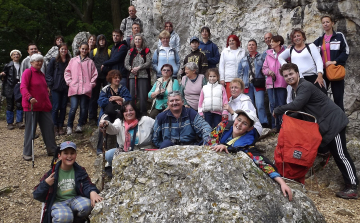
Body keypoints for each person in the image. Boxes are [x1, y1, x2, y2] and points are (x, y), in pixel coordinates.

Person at [274, 63, 358, 199]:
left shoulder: (304, 86)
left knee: (341, 154)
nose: (289, 77)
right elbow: (300, 111)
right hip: (327, 126)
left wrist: (278, 110)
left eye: (291, 74)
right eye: (286, 76)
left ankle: (352, 187)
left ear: (297, 73)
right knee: (334, 152)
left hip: (334, 122)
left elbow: (296, 105)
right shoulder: (298, 90)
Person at [207, 109, 292, 201]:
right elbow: (211, 139)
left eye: (245, 124)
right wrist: (217, 146)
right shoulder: (224, 125)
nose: (239, 124)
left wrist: (282, 183)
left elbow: (261, 162)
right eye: (238, 119)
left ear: (250, 128)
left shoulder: (247, 145)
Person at [33, 141, 103, 223]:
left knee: (88, 205)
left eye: (72, 153)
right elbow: (37, 195)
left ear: (75, 155)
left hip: (75, 199)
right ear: (59, 156)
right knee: (64, 217)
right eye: (65, 153)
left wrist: (92, 192)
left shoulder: (80, 171)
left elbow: (87, 184)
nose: (69, 156)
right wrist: (46, 184)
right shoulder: (52, 173)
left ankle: (77, 221)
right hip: (58, 202)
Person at [20, 54, 57, 160]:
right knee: (30, 129)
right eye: (37, 61)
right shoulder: (28, 72)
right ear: (31, 62)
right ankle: (27, 152)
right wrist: (29, 97)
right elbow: (23, 87)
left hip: (43, 105)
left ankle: (52, 149)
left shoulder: (41, 74)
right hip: (31, 105)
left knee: (49, 126)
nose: (39, 63)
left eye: (41, 61)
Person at [99, 101, 155, 166]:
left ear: (135, 111)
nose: (128, 113)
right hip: (125, 151)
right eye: (125, 111)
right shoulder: (119, 122)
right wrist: (107, 124)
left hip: (145, 150)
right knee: (108, 155)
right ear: (122, 113)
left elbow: (157, 126)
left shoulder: (146, 120)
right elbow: (113, 129)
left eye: (131, 110)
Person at [313, 15, 349, 111]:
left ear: (332, 23)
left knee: (338, 98)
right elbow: (308, 48)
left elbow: (346, 51)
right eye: (323, 22)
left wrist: (335, 62)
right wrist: (293, 46)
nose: (325, 24)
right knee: (321, 97)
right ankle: (327, 123)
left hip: (335, 70)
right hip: (323, 72)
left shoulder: (339, 36)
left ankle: (341, 125)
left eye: (327, 22)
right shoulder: (320, 40)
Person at [278, 28, 326, 95]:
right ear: (292, 40)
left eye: (298, 35)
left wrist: (320, 75)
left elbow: (318, 60)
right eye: (294, 37)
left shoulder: (311, 46)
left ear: (303, 37)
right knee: (302, 100)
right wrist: (288, 67)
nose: (297, 38)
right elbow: (280, 57)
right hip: (299, 79)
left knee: (321, 96)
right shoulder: (291, 49)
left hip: (312, 77)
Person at [65, 42, 98, 134]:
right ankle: (69, 126)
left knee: (83, 108)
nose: (84, 50)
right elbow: (67, 72)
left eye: (86, 49)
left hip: (85, 89)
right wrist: (69, 82)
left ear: (88, 50)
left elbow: (94, 74)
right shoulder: (73, 60)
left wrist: (91, 84)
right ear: (79, 49)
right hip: (74, 87)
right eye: (82, 48)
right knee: (73, 107)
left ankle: (79, 125)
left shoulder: (90, 62)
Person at [96, 70, 132, 154]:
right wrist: (112, 100)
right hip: (107, 112)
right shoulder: (106, 89)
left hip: (120, 113)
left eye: (119, 78)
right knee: (103, 124)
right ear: (110, 79)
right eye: (115, 78)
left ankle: (119, 147)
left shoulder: (123, 89)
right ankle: (100, 149)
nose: (117, 79)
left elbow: (129, 100)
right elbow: (100, 101)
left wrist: (120, 99)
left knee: (122, 124)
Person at [238, 39, 269, 129]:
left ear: (256, 46)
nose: (251, 46)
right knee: (249, 106)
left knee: (260, 104)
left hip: (259, 84)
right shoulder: (243, 59)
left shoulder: (262, 57)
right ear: (247, 47)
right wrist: (241, 85)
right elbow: (239, 73)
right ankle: (251, 124)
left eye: (253, 45)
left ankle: (264, 123)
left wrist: (267, 82)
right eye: (249, 45)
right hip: (247, 85)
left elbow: (265, 69)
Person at [262, 35, 287, 132]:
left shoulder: (285, 53)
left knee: (281, 104)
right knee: (272, 105)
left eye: (273, 41)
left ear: (279, 42)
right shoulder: (268, 54)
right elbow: (264, 68)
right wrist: (269, 72)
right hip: (270, 83)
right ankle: (274, 126)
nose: (270, 43)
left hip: (282, 83)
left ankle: (282, 125)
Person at [45, 43, 70, 136]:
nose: (64, 51)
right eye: (62, 49)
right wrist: (50, 85)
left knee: (63, 107)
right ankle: (54, 126)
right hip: (55, 87)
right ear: (59, 50)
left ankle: (60, 126)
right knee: (55, 107)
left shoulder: (69, 61)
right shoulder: (54, 61)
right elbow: (48, 74)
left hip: (65, 87)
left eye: (65, 49)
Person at [124, 34, 151, 115]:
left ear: (142, 40)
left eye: (139, 39)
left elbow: (148, 62)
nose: (137, 41)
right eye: (136, 39)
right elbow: (126, 63)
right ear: (133, 41)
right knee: (132, 94)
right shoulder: (130, 51)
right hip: (132, 75)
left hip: (143, 75)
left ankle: (143, 112)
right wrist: (131, 69)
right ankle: (132, 112)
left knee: (143, 95)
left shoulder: (146, 51)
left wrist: (139, 67)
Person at [88, 34, 111, 125]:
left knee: (106, 97)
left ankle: (105, 115)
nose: (102, 42)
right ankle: (92, 117)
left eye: (103, 40)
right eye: (100, 40)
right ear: (97, 42)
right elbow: (89, 64)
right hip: (95, 77)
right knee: (94, 97)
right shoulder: (93, 52)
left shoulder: (109, 51)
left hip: (106, 77)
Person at [0, 50, 24, 130]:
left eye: (17, 54)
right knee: (10, 105)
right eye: (14, 54)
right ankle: (10, 123)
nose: (16, 56)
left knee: (19, 104)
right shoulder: (8, 65)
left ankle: (19, 122)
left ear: (19, 56)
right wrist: (2, 74)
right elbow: (2, 76)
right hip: (9, 87)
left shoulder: (22, 65)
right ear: (11, 56)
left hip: (19, 86)